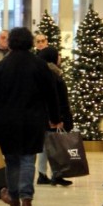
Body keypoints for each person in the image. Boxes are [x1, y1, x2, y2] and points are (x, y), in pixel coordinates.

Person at [0, 27, 60, 206]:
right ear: (30, 42)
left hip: (6, 122)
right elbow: (51, 95)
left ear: (10, 43)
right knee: (27, 159)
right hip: (33, 120)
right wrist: (55, 118)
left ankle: (13, 195)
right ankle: (26, 200)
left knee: (12, 160)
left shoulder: (0, 68)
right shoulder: (40, 66)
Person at [35, 46, 74, 186]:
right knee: (56, 145)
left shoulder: (43, 73)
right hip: (54, 116)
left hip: (46, 116)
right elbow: (56, 98)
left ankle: (42, 174)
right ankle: (57, 174)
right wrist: (58, 118)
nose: (60, 58)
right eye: (58, 55)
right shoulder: (52, 74)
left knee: (46, 145)